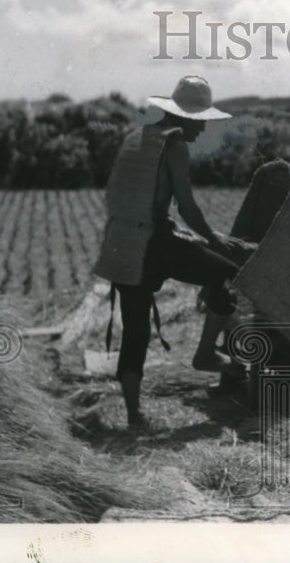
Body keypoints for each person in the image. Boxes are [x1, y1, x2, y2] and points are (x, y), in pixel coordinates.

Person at [93, 76, 251, 430]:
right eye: (202, 118)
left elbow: (135, 196)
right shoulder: (175, 145)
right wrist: (212, 241)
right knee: (225, 271)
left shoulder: (137, 137)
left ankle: (134, 417)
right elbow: (189, 208)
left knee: (135, 332)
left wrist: (169, 229)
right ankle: (207, 353)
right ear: (186, 118)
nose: (205, 125)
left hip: (121, 242)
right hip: (152, 244)